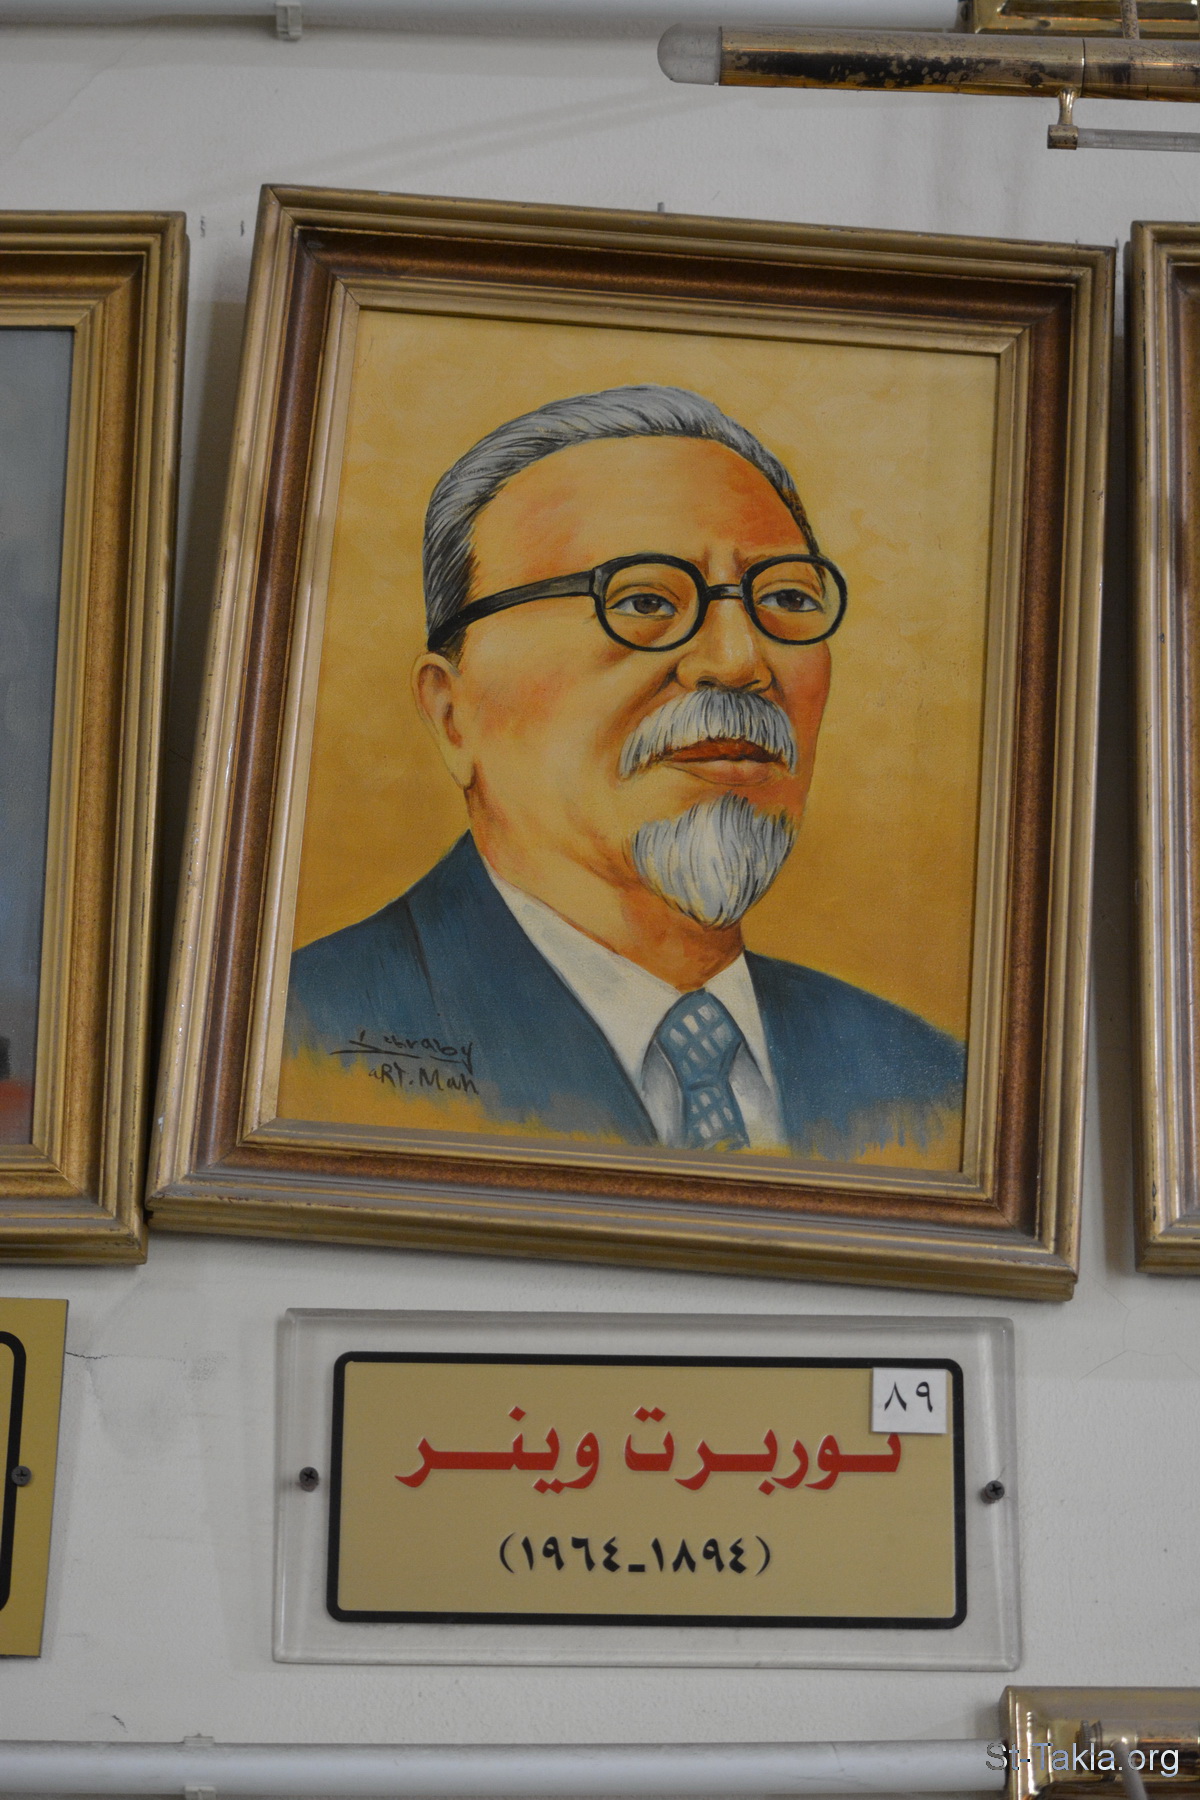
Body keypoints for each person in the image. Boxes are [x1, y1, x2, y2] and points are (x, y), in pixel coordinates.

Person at [284, 385, 963, 1162]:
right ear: (453, 714)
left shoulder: (930, 1083)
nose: (738, 660)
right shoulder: (307, 1046)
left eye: (783, 596)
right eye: (643, 600)